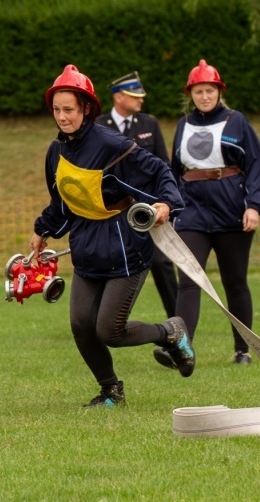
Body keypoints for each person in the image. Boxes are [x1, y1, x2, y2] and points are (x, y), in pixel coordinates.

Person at [30, 64, 196, 407]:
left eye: (69, 110)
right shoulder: (55, 152)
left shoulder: (110, 143)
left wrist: (166, 202)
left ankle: (171, 331)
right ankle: (111, 391)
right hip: (87, 250)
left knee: (110, 331)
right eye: (57, 110)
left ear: (86, 109)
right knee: (80, 326)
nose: (62, 117)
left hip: (125, 249)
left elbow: (159, 170)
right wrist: (42, 230)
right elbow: (62, 201)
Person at [154, 59, 260, 368]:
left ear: (219, 91)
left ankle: (242, 350)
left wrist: (254, 206)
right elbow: (174, 171)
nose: (204, 96)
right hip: (192, 212)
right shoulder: (183, 125)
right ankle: (181, 347)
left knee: (235, 282)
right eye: (198, 91)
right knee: (189, 279)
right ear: (190, 94)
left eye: (209, 90)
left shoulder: (238, 122)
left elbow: (256, 165)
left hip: (232, 211)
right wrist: (166, 202)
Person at [95, 71, 179, 319]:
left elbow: (163, 164)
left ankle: (178, 319)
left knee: (162, 264)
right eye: (135, 96)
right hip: (112, 211)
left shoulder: (149, 124)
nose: (141, 100)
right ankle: (100, 319)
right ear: (119, 97)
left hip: (147, 209)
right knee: (108, 263)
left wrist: (165, 202)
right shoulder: (98, 127)